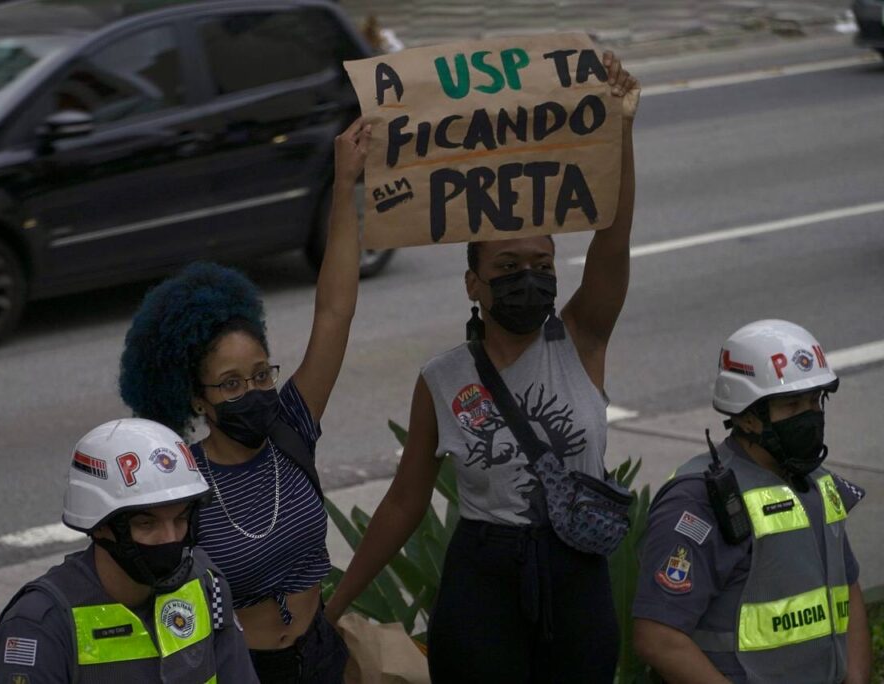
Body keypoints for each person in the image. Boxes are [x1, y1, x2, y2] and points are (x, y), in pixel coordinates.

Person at [324, 53, 640, 682]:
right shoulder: (442, 379)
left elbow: (614, 237)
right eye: (507, 269)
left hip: (575, 574)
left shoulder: (581, 339)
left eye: (542, 266)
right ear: (473, 283)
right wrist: (333, 605)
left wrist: (622, 130)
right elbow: (405, 501)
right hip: (483, 582)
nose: (529, 280)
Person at [117, 118, 370, 683]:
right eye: (231, 383)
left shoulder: (292, 426)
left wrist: (344, 181)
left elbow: (335, 309)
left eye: (261, 375)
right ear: (198, 399)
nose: (253, 392)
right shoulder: (182, 481)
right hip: (241, 670)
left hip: (321, 657)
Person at [632, 320, 872, 684]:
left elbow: (848, 588)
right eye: (791, 405)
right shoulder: (699, 500)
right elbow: (658, 637)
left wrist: (856, 678)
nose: (809, 416)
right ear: (746, 415)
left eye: (814, 401)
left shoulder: (818, 483)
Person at [0, 418, 258, 683]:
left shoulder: (206, 584)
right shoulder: (40, 626)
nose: (170, 538)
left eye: (180, 519)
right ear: (100, 527)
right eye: (146, 523)